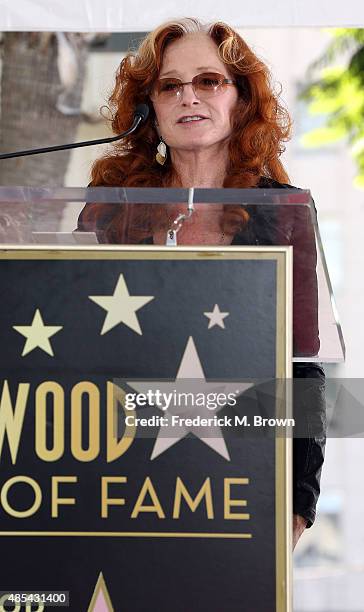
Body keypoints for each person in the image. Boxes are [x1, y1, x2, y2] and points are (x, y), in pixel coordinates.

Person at [78, 17, 326, 549]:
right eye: (170, 85)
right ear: (150, 108)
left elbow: (304, 366)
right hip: (116, 467)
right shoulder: (110, 208)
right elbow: (70, 337)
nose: (189, 96)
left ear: (240, 97)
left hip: (239, 473)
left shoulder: (283, 213)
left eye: (209, 81)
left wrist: (297, 504)